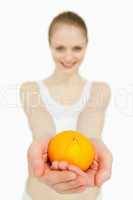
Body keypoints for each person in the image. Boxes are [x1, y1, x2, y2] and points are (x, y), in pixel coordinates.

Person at [20, 11, 113, 200]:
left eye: (77, 48)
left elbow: (90, 132)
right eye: (60, 48)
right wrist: (45, 141)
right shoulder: (30, 89)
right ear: (49, 46)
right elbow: (42, 127)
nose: (68, 56)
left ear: (87, 46)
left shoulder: (100, 90)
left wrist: (92, 143)